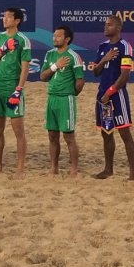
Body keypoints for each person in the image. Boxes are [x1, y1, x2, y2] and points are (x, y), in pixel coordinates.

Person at [0, 7, 31, 177]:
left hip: (13, 88)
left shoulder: (23, 40)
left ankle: (20, 168)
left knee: (18, 129)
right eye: (3, 16)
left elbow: (25, 68)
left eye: (8, 17)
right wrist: (2, 49)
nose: (4, 19)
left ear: (17, 20)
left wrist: (18, 89)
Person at [92, 15, 134, 180]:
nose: (105, 27)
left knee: (125, 133)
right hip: (102, 95)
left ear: (118, 28)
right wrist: (103, 60)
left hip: (117, 96)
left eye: (109, 25)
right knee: (106, 132)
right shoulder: (102, 47)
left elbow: (124, 76)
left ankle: (133, 174)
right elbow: (95, 72)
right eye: (105, 24)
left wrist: (109, 93)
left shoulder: (125, 47)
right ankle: (108, 169)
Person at [40, 26, 85, 177]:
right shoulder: (50, 54)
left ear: (67, 39)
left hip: (66, 99)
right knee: (52, 135)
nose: (54, 38)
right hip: (51, 98)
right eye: (54, 36)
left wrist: (71, 95)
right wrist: (55, 66)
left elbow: (80, 81)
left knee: (68, 136)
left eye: (58, 36)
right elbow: (43, 76)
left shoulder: (73, 56)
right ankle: (54, 167)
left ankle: (74, 169)